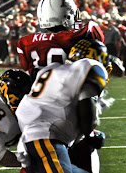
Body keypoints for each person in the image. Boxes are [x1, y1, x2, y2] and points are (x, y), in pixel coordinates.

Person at [16, 39, 112, 173]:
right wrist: (90, 134)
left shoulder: (51, 69)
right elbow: (87, 110)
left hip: (32, 137)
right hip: (46, 136)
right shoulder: (90, 65)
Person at [17, 0, 104, 77]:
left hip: (38, 89)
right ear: (67, 16)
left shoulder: (25, 42)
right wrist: (78, 21)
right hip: (68, 88)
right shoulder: (72, 38)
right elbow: (94, 29)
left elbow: (25, 66)